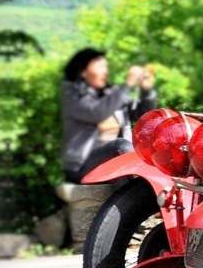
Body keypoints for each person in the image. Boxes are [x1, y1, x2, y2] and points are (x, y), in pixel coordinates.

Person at [60, 48, 158, 182]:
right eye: (100, 67)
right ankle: (136, 193)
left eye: (106, 67)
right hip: (80, 164)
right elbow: (97, 112)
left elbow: (143, 115)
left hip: (108, 162)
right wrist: (128, 84)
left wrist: (146, 91)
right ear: (83, 71)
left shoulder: (111, 94)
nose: (106, 71)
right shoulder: (72, 94)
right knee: (120, 146)